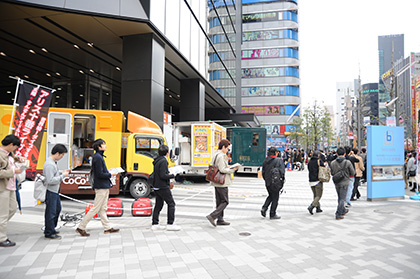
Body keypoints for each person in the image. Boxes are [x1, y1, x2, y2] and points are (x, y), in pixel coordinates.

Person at [76, 139, 119, 237]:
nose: (105, 146)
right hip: (101, 186)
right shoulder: (98, 157)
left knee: (103, 208)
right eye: (103, 144)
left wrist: (108, 172)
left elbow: (100, 172)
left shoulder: (98, 157)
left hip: (103, 185)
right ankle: (81, 227)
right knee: (95, 208)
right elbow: (100, 174)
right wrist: (110, 174)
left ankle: (107, 227)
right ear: (99, 147)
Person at [206, 139, 238, 227]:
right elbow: (222, 169)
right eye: (227, 148)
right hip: (221, 182)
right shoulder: (221, 156)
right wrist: (232, 170)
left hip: (216, 181)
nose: (228, 150)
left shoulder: (216, 154)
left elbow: (219, 166)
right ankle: (212, 216)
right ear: (223, 147)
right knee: (225, 201)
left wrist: (228, 166)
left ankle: (220, 219)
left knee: (219, 201)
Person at [0, 135, 24, 247]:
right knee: (3, 214)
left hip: (11, 187)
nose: (15, 150)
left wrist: (17, 159)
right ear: (11, 145)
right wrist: (14, 171)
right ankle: (2, 238)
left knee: (13, 209)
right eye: (15, 147)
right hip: (3, 188)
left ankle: (1, 231)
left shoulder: (9, 154)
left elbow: (10, 160)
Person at [43, 143, 70, 240]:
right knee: (51, 212)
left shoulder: (52, 162)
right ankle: (49, 232)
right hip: (51, 191)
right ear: (57, 153)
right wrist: (63, 176)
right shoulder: (50, 164)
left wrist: (61, 172)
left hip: (54, 191)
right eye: (62, 155)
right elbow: (50, 180)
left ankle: (51, 228)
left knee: (57, 210)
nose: (62, 157)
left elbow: (54, 174)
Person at [151, 144, 180, 231]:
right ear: (167, 153)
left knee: (158, 205)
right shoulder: (164, 161)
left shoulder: (157, 160)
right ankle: (170, 223)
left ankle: (155, 223)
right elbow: (163, 175)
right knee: (171, 204)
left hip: (157, 186)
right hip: (163, 186)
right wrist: (172, 175)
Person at [330, 147, 355, 220]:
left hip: (336, 182)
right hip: (345, 182)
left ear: (337, 154)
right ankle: (338, 214)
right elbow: (352, 172)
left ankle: (343, 210)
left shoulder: (333, 163)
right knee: (342, 199)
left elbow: (332, 173)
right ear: (344, 154)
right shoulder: (347, 162)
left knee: (340, 197)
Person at [261, 147, 285, 219]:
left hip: (268, 182)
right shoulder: (278, 161)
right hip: (276, 183)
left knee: (271, 195)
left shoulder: (265, 161)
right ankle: (272, 214)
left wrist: (266, 180)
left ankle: (264, 208)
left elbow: (263, 173)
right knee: (275, 198)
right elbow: (282, 172)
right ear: (275, 153)